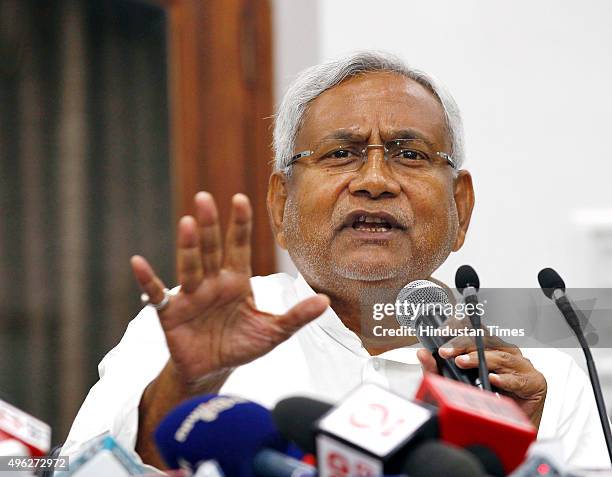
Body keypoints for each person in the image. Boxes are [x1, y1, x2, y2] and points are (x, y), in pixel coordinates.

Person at [62, 51, 609, 470]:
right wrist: (184, 385)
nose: (374, 181)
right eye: (341, 153)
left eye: (410, 154)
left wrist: (517, 456)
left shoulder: (541, 380)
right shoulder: (187, 329)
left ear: (460, 207)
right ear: (282, 202)